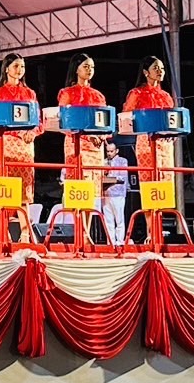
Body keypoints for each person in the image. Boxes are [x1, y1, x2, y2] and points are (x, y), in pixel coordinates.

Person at [0, 51, 39, 206]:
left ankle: (24, 222)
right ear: (6, 68)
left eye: (22, 66)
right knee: (5, 189)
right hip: (6, 145)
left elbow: (38, 120)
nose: (20, 70)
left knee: (25, 190)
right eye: (16, 66)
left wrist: (32, 132)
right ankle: (3, 221)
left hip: (25, 147)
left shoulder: (30, 93)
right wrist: (17, 132)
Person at [57, 52, 110, 203]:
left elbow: (104, 121)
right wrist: (88, 135)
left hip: (96, 148)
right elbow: (64, 122)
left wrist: (102, 135)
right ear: (76, 69)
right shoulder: (67, 93)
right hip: (77, 146)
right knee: (79, 189)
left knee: (93, 195)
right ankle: (79, 219)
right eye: (86, 66)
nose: (89, 70)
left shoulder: (98, 95)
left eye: (92, 67)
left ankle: (88, 220)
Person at [123, 55, 177, 180]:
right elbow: (126, 117)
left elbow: (172, 120)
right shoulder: (136, 93)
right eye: (156, 68)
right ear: (146, 72)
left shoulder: (166, 96)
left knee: (167, 178)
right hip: (145, 141)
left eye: (162, 68)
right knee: (149, 178)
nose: (160, 71)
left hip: (165, 143)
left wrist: (173, 133)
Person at [101, 140, 129, 246]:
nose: (109, 153)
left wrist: (110, 177)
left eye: (111, 151)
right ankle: (110, 241)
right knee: (108, 220)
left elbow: (122, 177)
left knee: (119, 219)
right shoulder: (104, 161)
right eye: (107, 151)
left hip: (118, 193)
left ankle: (120, 241)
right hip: (106, 194)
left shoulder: (122, 161)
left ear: (116, 151)